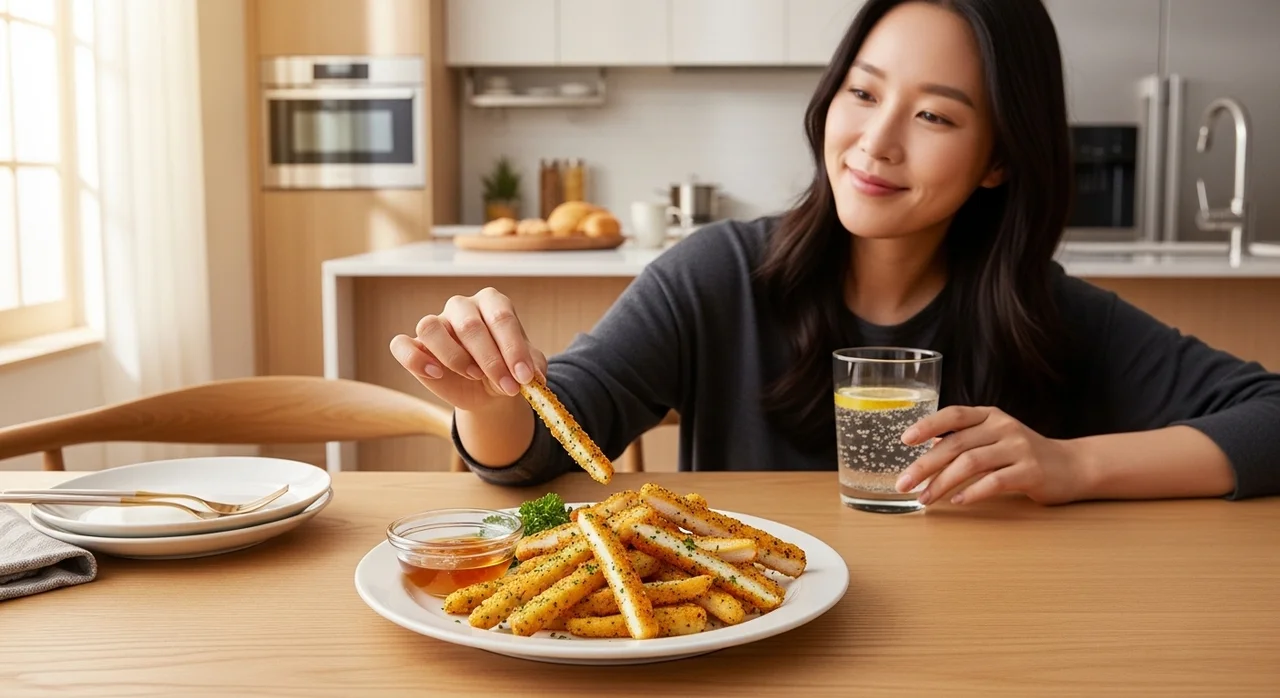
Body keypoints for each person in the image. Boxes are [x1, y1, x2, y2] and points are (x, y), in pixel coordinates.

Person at [390, 0, 1280, 506]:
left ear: (1000, 157)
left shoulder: (1043, 312)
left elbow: (1270, 417)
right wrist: (489, 400)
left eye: (934, 115)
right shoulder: (717, 277)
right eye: (862, 93)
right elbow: (543, 448)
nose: (875, 142)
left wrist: (1074, 464)